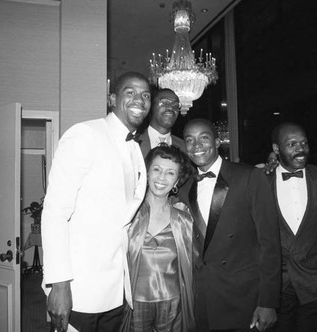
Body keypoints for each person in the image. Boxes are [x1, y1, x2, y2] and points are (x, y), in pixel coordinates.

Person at [41, 71, 151, 332]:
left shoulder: (135, 147)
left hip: (116, 288)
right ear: (112, 99)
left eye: (146, 95)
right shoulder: (85, 134)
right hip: (78, 287)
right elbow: (55, 212)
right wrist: (59, 284)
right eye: (131, 92)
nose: (140, 99)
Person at [178, 118, 281, 331]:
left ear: (217, 142)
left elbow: (269, 243)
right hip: (202, 297)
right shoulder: (184, 186)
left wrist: (268, 302)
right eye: (189, 140)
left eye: (203, 138)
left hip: (242, 296)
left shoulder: (249, 176)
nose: (196, 146)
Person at [268, 122, 317, 332]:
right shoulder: (259, 181)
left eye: (304, 143)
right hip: (278, 285)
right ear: (276, 149)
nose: (300, 148)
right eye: (292, 144)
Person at [124, 144, 195, 332]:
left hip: (172, 304)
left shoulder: (183, 220)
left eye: (170, 173)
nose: (162, 178)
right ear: (146, 172)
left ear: (177, 180)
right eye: (157, 169)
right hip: (133, 304)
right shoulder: (127, 215)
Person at [139, 88, 185, 157]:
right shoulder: (134, 142)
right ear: (152, 105)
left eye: (175, 105)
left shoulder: (184, 147)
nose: (170, 108)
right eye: (164, 103)